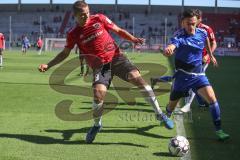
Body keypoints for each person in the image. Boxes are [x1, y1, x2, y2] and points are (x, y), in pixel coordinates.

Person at [38, 1, 173, 144]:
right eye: (83, 15)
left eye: (88, 13)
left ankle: (159, 114)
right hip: (100, 67)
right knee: (98, 95)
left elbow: (118, 30)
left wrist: (133, 39)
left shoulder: (99, 19)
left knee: (138, 79)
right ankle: (97, 125)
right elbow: (64, 53)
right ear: (75, 16)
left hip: (117, 58)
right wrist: (49, 64)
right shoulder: (73, 33)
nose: (86, 16)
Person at [163, 9, 229, 141]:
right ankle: (167, 113)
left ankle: (219, 130)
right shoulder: (179, 36)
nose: (191, 27)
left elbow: (207, 43)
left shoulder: (202, 32)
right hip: (182, 77)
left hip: (199, 75)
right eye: (188, 23)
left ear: (197, 21)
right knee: (171, 106)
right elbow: (173, 45)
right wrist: (169, 49)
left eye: (193, 23)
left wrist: (210, 55)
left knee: (212, 98)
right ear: (183, 23)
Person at [180, 9, 218, 113]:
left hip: (202, 60)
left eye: (197, 18)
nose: (195, 21)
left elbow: (214, 43)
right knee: (186, 79)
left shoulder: (206, 29)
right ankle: (201, 101)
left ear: (199, 19)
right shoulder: (187, 27)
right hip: (188, 59)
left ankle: (187, 104)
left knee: (194, 80)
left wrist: (209, 55)